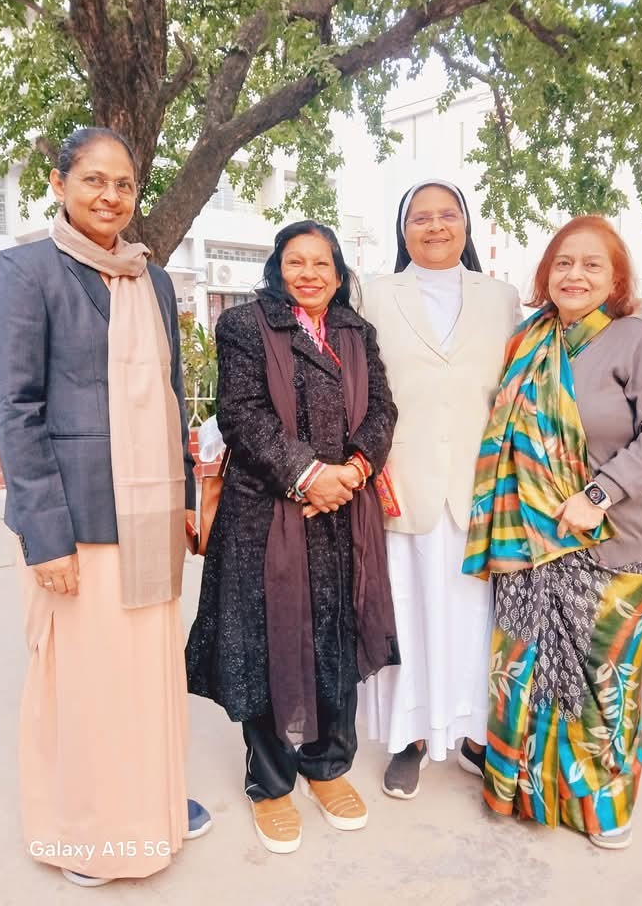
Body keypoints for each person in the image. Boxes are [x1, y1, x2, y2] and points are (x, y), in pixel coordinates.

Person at [0, 127, 211, 888]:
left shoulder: (153, 279)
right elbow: (15, 411)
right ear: (59, 183)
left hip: (148, 521)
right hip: (75, 522)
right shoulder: (24, 271)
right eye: (94, 180)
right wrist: (45, 536)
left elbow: (172, 396)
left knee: (144, 677)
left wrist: (184, 497)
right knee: (84, 684)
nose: (111, 196)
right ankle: (87, 836)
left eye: (124, 184)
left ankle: (149, 808)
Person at [463, 215, 642, 849]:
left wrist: (598, 495)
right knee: (525, 672)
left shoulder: (635, 340)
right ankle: (521, 788)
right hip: (527, 540)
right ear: (546, 274)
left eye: (593, 264)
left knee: (601, 681)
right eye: (563, 263)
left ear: (616, 279)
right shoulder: (528, 340)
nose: (575, 275)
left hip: (609, 538)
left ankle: (601, 804)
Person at [185, 220, 399, 854]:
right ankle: (271, 781)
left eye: (321, 263)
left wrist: (353, 471)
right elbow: (242, 414)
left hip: (344, 511)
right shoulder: (245, 325)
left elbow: (382, 409)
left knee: (336, 635)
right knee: (269, 642)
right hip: (266, 514)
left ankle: (328, 766)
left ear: (339, 272)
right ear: (277, 268)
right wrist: (309, 476)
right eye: (296, 262)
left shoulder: (356, 332)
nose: (309, 274)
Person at [359, 179, 521, 799]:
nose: (435, 226)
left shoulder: (501, 297)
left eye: (447, 215)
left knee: (476, 619)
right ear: (403, 231)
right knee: (408, 613)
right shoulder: (373, 294)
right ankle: (410, 737)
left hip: (481, 485)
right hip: (402, 483)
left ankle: (475, 734)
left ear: (465, 224)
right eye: (420, 217)